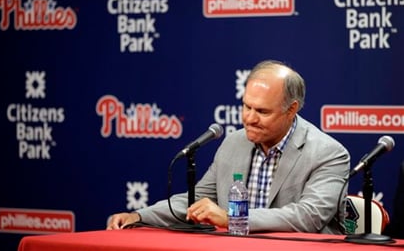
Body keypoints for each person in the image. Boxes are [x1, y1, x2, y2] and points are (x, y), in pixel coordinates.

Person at [107, 59, 351, 234]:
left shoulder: (328, 153)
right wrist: (139, 217)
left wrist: (233, 218)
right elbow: (199, 199)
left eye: (262, 111)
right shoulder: (234, 142)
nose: (250, 118)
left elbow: (307, 217)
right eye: (247, 106)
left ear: (292, 109)